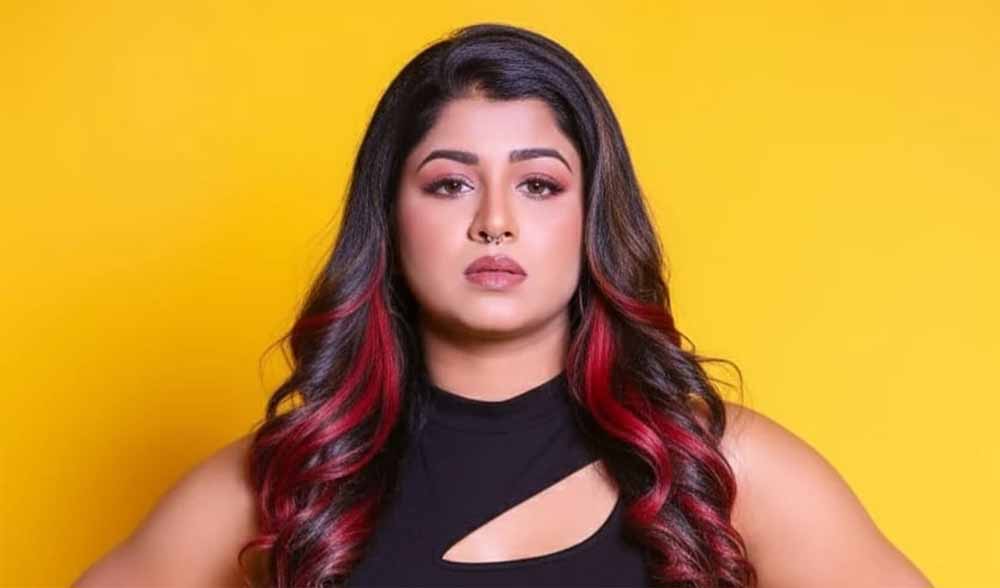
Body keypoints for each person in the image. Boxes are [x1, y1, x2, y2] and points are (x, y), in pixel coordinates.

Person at [73, 22, 933, 588]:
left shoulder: (720, 465)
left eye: (539, 184)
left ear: (591, 218)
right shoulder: (295, 475)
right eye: (449, 183)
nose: (494, 221)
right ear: (390, 219)